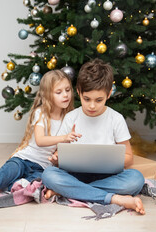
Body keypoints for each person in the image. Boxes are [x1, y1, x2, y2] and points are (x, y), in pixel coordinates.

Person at [0, 70, 81, 214]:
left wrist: (56, 157)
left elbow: (62, 148)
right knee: (7, 173)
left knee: (32, 186)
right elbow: (40, 140)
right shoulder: (41, 113)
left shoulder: (69, 118)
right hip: (23, 160)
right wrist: (64, 138)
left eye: (68, 90)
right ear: (48, 95)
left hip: (42, 168)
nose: (65, 95)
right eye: (59, 92)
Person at [42, 59, 145, 215]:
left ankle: (70, 191)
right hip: (75, 174)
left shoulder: (116, 119)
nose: (92, 106)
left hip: (108, 176)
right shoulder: (71, 118)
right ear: (79, 92)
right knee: (49, 175)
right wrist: (57, 159)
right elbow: (60, 153)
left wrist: (105, 159)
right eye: (87, 99)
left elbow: (129, 158)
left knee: (136, 179)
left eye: (99, 100)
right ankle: (114, 198)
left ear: (109, 93)